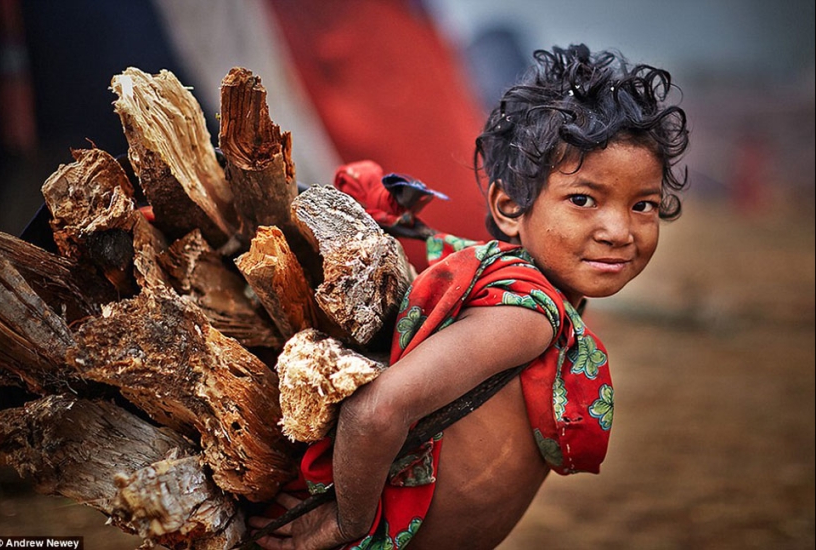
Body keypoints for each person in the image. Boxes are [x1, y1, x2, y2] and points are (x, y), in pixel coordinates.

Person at [250, 43, 689, 550]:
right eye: (583, 199)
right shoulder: (528, 315)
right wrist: (346, 523)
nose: (618, 230)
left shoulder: (517, 293)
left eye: (643, 205)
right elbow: (375, 412)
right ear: (508, 207)